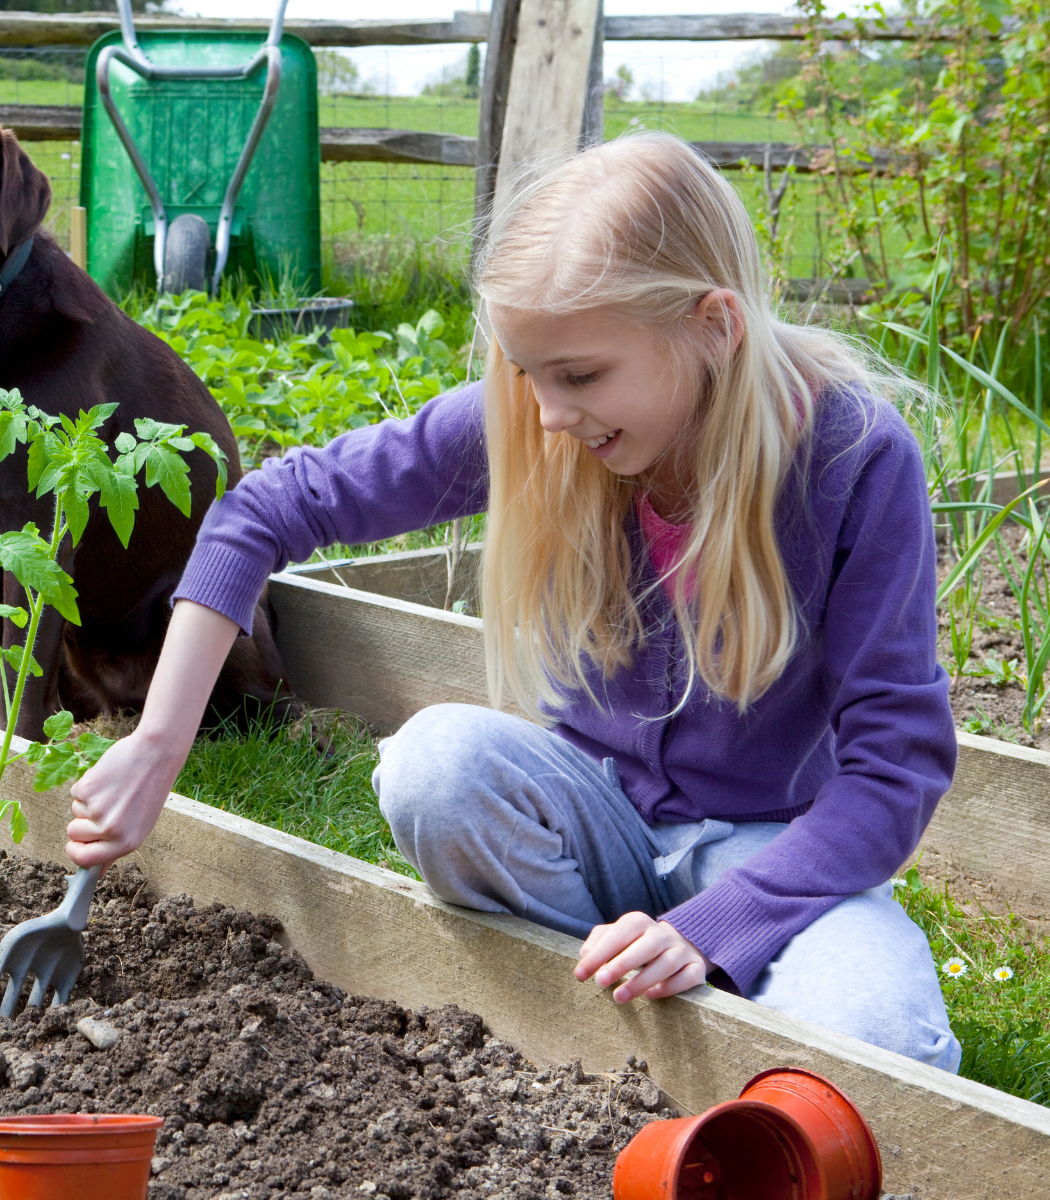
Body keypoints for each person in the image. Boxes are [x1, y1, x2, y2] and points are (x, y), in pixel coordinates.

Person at [62, 132, 961, 1071]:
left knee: (886, 1040)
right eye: (526, 374)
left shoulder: (851, 455)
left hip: (770, 855)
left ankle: (688, 976)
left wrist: (718, 923)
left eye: (578, 375)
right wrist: (159, 743)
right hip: (585, 815)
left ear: (714, 324)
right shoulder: (546, 419)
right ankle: (629, 998)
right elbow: (265, 510)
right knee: (435, 769)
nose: (547, 415)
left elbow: (895, 765)